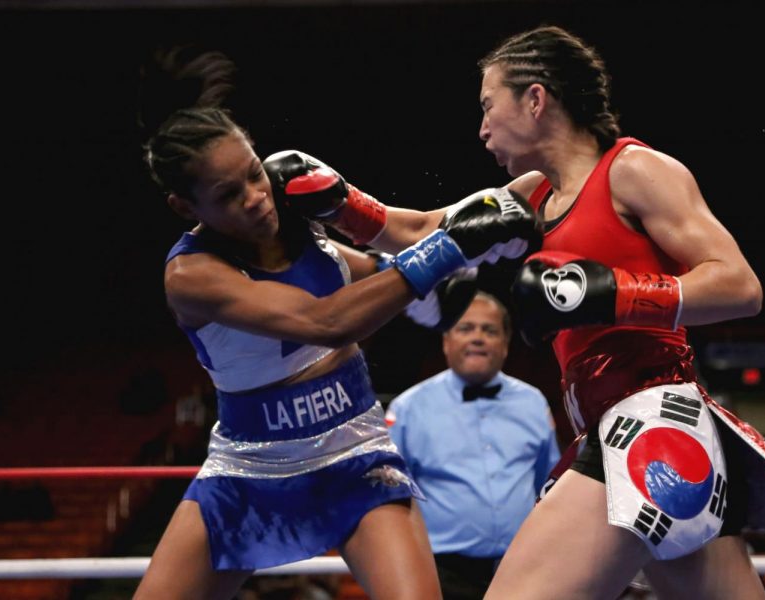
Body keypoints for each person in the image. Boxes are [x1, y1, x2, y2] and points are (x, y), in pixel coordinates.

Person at [284, 25, 765, 600]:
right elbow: (424, 231)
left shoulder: (635, 170)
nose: (481, 129)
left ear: (535, 99)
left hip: (649, 421)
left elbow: (739, 284)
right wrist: (338, 200)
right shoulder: (534, 194)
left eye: (487, 106)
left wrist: (612, 292)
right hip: (641, 437)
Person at [132, 47, 541, 600]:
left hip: (354, 450)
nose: (256, 200)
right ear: (186, 207)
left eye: (254, 174)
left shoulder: (295, 202)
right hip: (248, 466)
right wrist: (448, 253)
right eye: (229, 195)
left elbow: (393, 248)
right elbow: (325, 320)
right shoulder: (191, 275)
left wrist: (533, 193)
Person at [385, 293, 561, 600]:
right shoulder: (408, 408)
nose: (478, 337)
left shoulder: (533, 403)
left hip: (522, 568)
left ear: (506, 344)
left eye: (489, 330)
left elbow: (548, 488)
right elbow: (392, 499)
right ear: (446, 341)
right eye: (466, 328)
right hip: (441, 572)